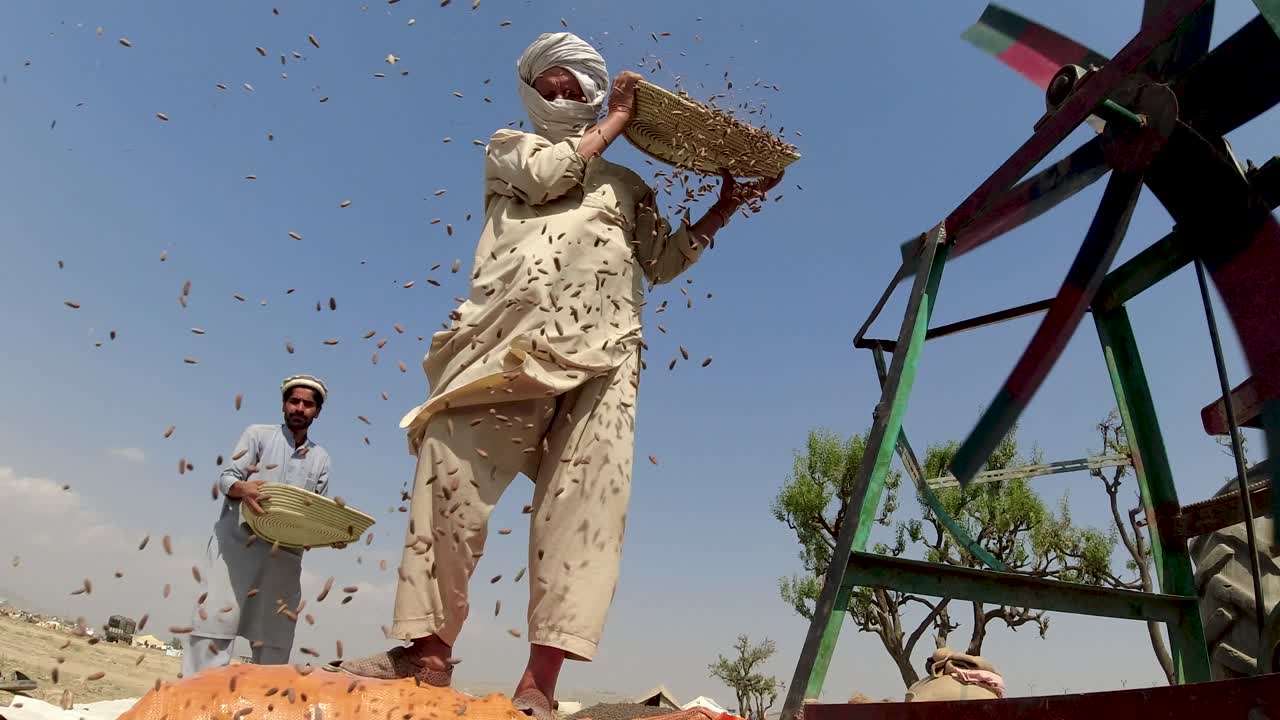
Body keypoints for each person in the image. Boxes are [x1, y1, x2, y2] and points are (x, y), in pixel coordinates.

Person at [333, 32, 781, 719]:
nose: (565, 95)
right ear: (532, 91)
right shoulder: (509, 149)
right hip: (508, 345)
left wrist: (724, 207)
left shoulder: (629, 187)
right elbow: (550, 177)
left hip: (606, 352)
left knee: (584, 506)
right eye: (554, 85)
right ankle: (426, 652)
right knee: (449, 463)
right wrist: (618, 120)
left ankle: (539, 684)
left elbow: (660, 264)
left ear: (595, 94)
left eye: (578, 88)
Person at [182, 374, 332, 677]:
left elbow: (319, 511)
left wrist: (331, 534)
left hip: (284, 558)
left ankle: (264, 698)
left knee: (275, 637)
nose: (299, 408)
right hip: (236, 547)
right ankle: (195, 693)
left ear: (317, 412)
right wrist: (244, 489)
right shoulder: (258, 435)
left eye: (307, 404)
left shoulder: (321, 458)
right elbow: (227, 478)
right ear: (283, 405)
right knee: (215, 623)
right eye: (294, 401)